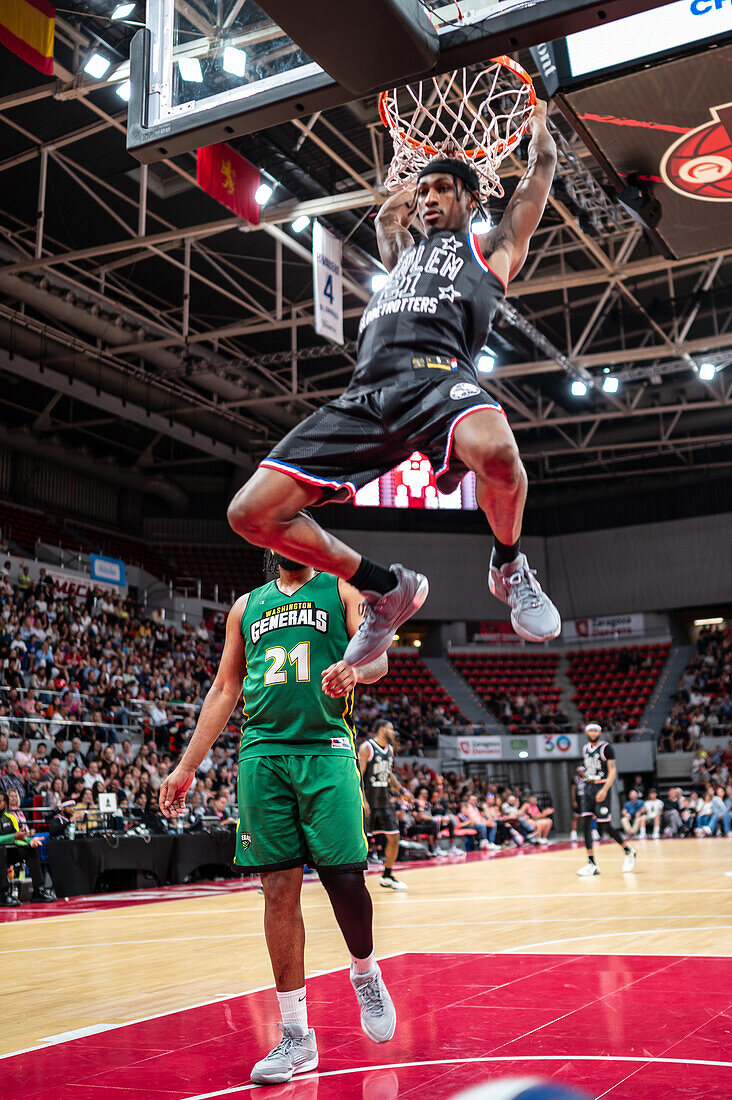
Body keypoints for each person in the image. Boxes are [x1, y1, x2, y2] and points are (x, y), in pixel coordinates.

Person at [226, 102, 560, 669]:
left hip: (438, 380)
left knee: (500, 454)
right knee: (249, 515)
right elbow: (386, 219)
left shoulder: (489, 251)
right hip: (367, 394)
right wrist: (414, 171)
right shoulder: (402, 253)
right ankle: (385, 587)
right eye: (422, 191)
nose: (428, 199)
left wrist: (540, 129)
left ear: (471, 198)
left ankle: (508, 564)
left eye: (442, 190)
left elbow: (539, 177)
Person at [159, 549, 396, 1086]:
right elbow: (225, 689)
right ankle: (296, 1037)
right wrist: (186, 767)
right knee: (278, 887)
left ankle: (364, 971)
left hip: (326, 747)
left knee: (345, 879)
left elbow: (380, 658)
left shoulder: (340, 590)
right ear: (270, 544)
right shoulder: (246, 608)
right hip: (261, 754)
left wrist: (356, 665)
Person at [576, 722, 637, 877]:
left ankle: (628, 850)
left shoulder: (606, 748)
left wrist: (604, 790)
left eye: (596, 730)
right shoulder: (585, 749)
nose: (593, 733)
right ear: (586, 732)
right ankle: (591, 863)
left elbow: (612, 771)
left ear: (600, 732)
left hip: (601, 786)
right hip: (589, 787)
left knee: (605, 825)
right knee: (585, 824)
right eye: (590, 730)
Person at [359, 719, 411, 890]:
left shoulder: (390, 750)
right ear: (381, 730)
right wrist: (363, 800)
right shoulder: (367, 748)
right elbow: (359, 776)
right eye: (391, 729)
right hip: (369, 802)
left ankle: (387, 876)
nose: (394, 732)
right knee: (362, 842)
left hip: (385, 802)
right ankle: (355, 880)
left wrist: (402, 791)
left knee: (394, 837)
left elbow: (389, 774)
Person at [0, 790, 56, 906]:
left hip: (6, 855)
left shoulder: (10, 818)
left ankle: (38, 890)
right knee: (1, 849)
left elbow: (17, 838)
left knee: (32, 848)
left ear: (5, 803)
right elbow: (13, 837)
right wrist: (13, 836)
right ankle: (3, 893)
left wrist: (29, 841)